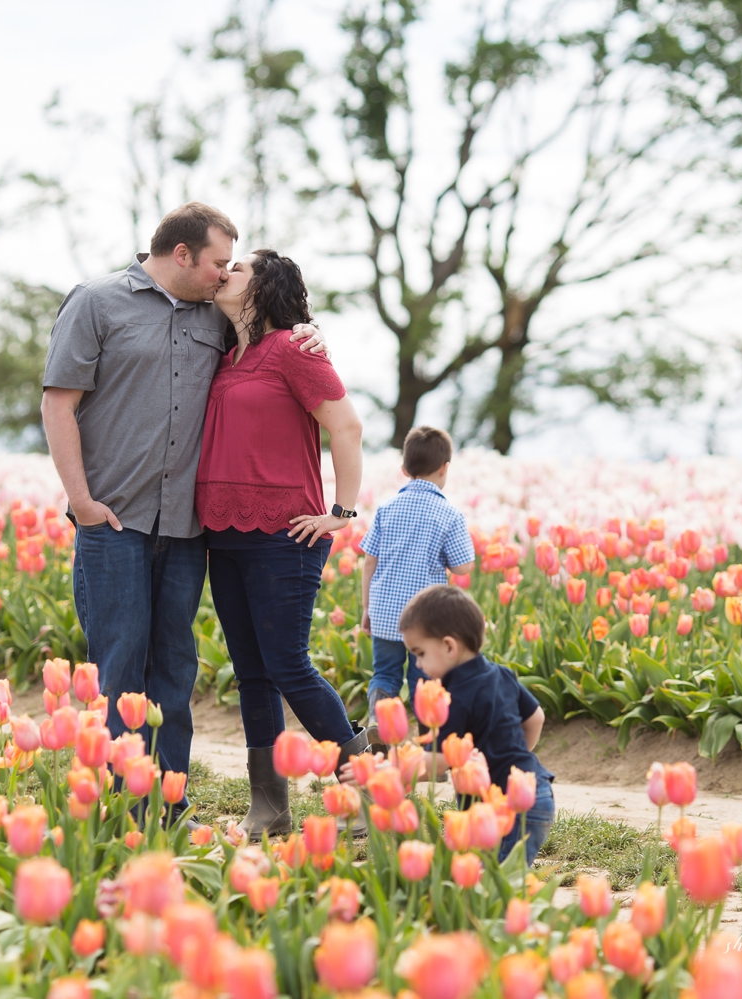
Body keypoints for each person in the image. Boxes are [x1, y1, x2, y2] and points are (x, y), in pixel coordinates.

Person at [40, 203, 325, 817]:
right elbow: (58, 403)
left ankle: (170, 798)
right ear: (182, 255)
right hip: (114, 521)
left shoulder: (214, 316)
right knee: (120, 665)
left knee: (175, 664)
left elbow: (268, 345)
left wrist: (310, 333)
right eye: (219, 262)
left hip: (189, 528)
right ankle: (124, 804)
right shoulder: (95, 302)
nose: (225, 275)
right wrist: (81, 501)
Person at [195, 248, 368, 838]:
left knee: (288, 665)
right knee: (252, 673)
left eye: (237, 268)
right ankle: (269, 805)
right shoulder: (222, 352)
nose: (225, 273)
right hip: (223, 532)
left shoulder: (295, 349)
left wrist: (340, 511)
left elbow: (345, 425)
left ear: (265, 286)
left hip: (284, 532)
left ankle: (366, 787)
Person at [397, 584, 555, 865]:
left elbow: (441, 760)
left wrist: (393, 772)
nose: (418, 665)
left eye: (419, 653)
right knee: (504, 877)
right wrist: (514, 757)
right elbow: (536, 718)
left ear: (448, 646)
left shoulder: (454, 696)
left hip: (507, 804)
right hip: (535, 788)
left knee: (496, 883)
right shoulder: (502, 674)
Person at [357, 426, 475, 746]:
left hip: (384, 610)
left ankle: (379, 725)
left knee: (384, 674)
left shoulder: (385, 509)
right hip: (427, 617)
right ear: (445, 468)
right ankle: (428, 744)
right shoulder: (449, 514)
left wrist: (367, 608)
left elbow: (370, 561)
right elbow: (463, 567)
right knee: (425, 678)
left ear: (404, 470)